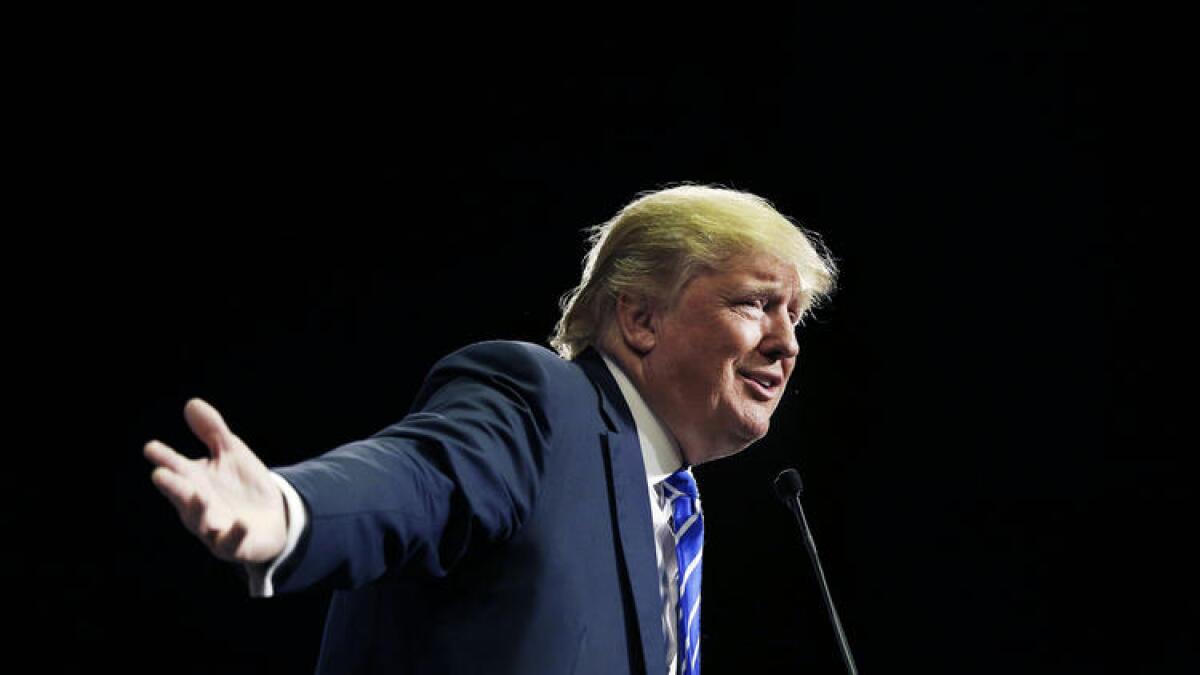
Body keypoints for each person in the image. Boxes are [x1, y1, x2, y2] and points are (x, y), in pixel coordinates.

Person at [144, 184, 837, 675]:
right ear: (641, 319)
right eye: (755, 304)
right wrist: (287, 508)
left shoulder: (668, 502)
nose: (787, 343)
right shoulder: (543, 405)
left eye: (794, 317)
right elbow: (419, 477)